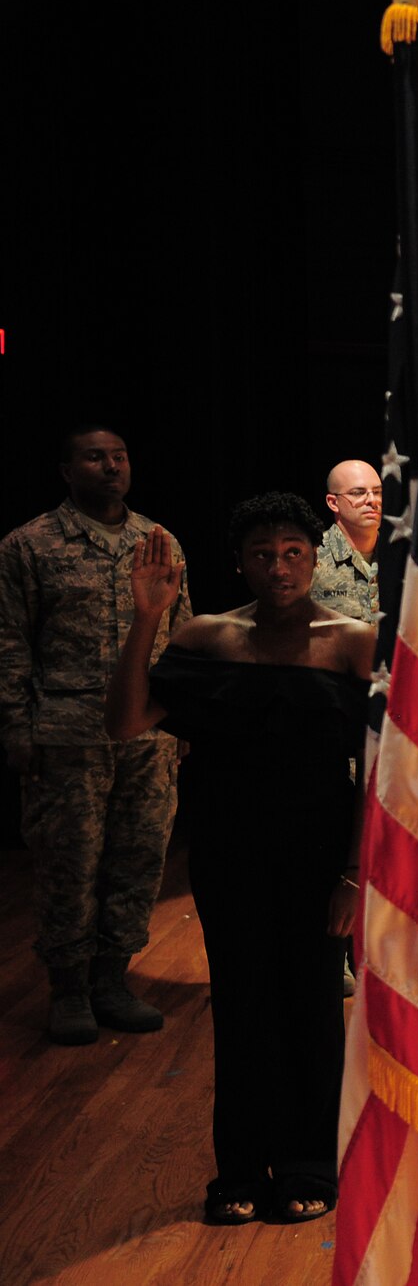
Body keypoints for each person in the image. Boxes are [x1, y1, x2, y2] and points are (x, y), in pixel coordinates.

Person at [104, 494, 372, 1225]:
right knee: (244, 1006)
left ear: (315, 557)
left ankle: (311, 1161)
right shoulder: (206, 635)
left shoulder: (353, 641)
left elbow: (376, 765)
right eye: (262, 553)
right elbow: (127, 721)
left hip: (320, 852)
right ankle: (240, 1168)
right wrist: (147, 618)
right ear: (239, 562)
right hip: (229, 850)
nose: (279, 566)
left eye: (293, 551)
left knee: (314, 1006)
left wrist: (354, 872)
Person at [0, 425, 189, 1045]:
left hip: (149, 739)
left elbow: (184, 638)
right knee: (69, 865)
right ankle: (69, 989)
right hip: (66, 733)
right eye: (94, 457)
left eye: (119, 456)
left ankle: (113, 978)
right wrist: (17, 727)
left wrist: (185, 723)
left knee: (138, 860)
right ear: (66, 469)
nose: (111, 467)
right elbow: (10, 643)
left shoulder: (157, 542)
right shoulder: (30, 545)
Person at [312, 458, 383, 622]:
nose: (373, 500)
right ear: (333, 502)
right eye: (358, 493)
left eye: (377, 492)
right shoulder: (311, 556)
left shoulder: (402, 557)